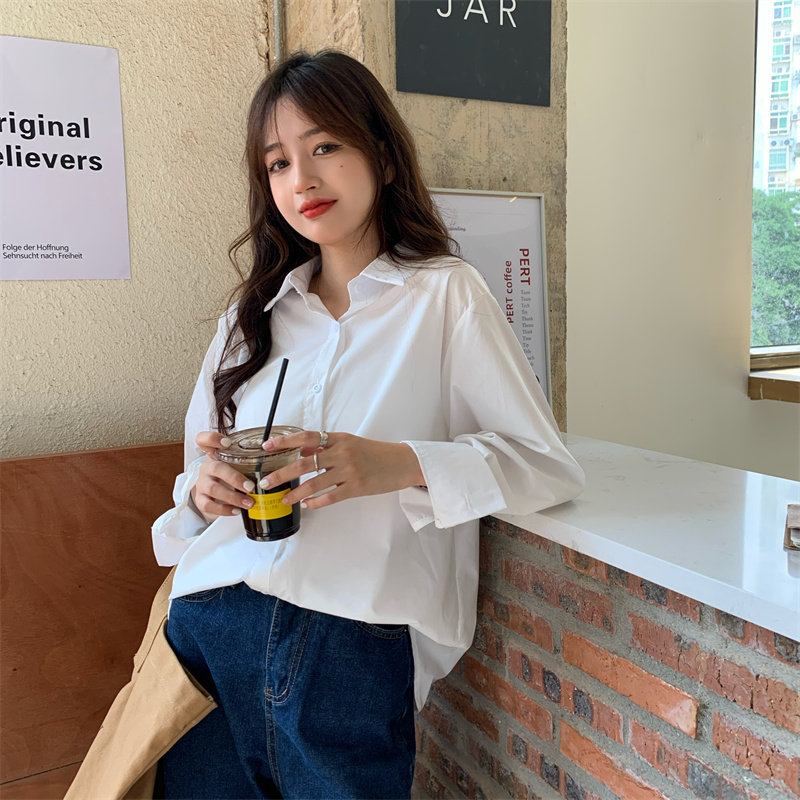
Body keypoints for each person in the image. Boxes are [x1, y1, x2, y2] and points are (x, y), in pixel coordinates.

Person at [151, 49, 585, 800]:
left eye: (324, 147)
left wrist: (398, 464)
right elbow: (191, 488)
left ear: (382, 157)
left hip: (348, 644)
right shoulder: (249, 320)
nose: (302, 180)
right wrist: (202, 493)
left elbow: (544, 463)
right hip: (211, 632)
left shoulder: (445, 296)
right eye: (278, 163)